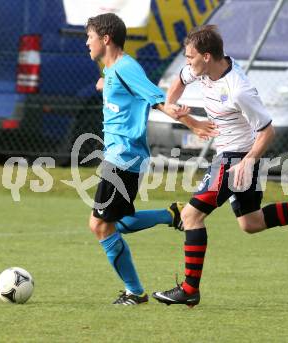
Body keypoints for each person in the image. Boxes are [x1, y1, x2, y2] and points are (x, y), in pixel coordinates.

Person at [148, 25, 288, 307]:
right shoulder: (201, 68)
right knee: (251, 223)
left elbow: (268, 131)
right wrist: (171, 104)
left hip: (237, 159)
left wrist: (248, 162)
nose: (187, 63)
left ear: (207, 56)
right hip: (233, 157)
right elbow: (179, 82)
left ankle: (189, 288)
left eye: (190, 57)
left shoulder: (238, 90)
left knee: (191, 216)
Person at [85, 13, 217, 305]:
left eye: (90, 37)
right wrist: (102, 82)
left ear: (105, 39)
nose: (86, 43)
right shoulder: (113, 68)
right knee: (117, 222)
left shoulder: (126, 68)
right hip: (121, 157)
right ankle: (171, 214)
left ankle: (134, 292)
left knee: (100, 226)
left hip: (123, 157)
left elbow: (158, 100)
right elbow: (112, 78)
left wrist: (194, 124)